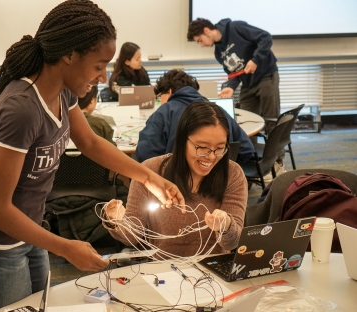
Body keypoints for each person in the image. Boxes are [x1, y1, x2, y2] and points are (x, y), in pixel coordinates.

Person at [0, 1, 184, 311]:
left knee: (41, 305)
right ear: (69, 55)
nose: (103, 77)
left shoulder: (63, 90)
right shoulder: (22, 110)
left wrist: (149, 177)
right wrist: (65, 247)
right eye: (99, 65)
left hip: (28, 226)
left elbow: (90, 142)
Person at [103, 101, 248, 257]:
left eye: (220, 148)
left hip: (213, 271)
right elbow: (131, 236)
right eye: (202, 147)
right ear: (182, 141)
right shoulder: (151, 172)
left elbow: (232, 243)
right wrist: (115, 220)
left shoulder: (233, 174)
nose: (211, 156)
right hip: (163, 270)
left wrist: (225, 226)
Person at [187, 18, 285, 180]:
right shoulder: (219, 53)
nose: (201, 45)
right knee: (245, 125)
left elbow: (265, 37)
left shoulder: (235, 28)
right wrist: (231, 86)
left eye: (200, 41)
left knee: (271, 121)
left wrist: (255, 60)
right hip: (247, 84)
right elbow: (234, 73)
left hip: (266, 76)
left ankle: (277, 163)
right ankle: (254, 163)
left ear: (206, 30)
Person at [135, 69, 254, 163]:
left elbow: (145, 156)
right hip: (217, 187)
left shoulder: (163, 113)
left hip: (173, 187)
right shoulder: (218, 111)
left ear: (169, 92)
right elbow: (246, 149)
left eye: (160, 96)